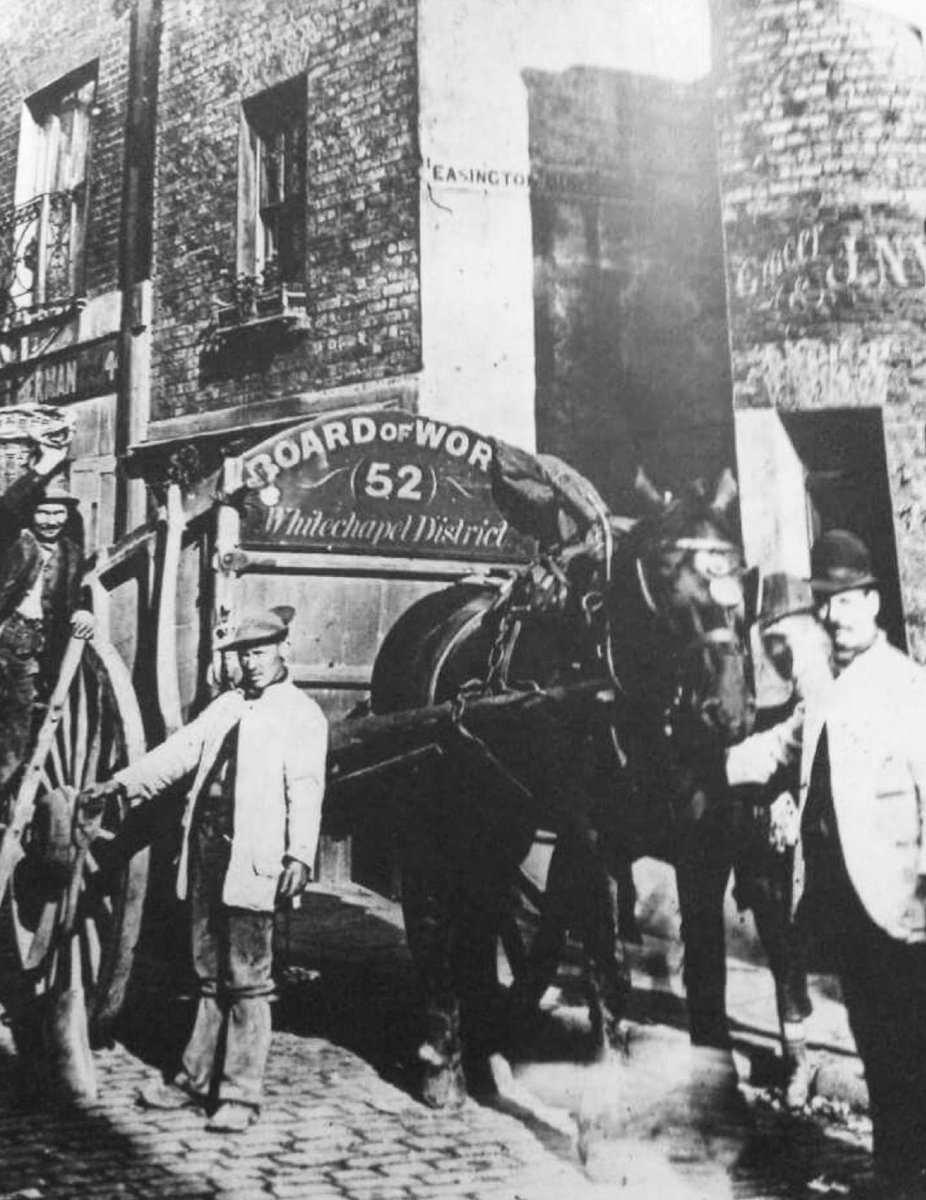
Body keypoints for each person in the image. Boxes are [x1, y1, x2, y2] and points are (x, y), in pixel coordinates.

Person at [78, 607, 328, 1132]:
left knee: (248, 981)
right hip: (208, 852)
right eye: (244, 655)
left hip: (255, 860)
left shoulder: (302, 715)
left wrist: (299, 855)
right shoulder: (228, 705)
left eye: (260, 653)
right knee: (207, 974)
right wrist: (121, 784)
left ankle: (240, 1094)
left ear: (284, 650)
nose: (252, 664)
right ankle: (193, 1080)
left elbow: (306, 790)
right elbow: (179, 752)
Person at [730, 531, 926, 1195]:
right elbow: (771, 750)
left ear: (873, 602)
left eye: (847, 601)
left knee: (907, 1049)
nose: (835, 616)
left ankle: (904, 1176)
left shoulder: (907, 687)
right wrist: (691, 760)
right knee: (879, 1045)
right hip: (844, 906)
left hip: (902, 905)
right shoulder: (825, 694)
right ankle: (898, 1172)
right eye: (826, 605)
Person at [727, 570, 832, 1109]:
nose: (782, 655)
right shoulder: (795, 698)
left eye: (788, 642)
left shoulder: (849, 686)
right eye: (772, 644)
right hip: (801, 848)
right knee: (780, 933)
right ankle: (798, 1057)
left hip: (859, 850)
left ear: (815, 632)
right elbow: (776, 746)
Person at [0, 442, 94, 791]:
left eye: (59, 513)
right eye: (44, 512)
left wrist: (85, 609)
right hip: (4, 638)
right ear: (31, 514)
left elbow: (76, 593)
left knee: (15, 731)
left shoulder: (70, 552)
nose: (52, 520)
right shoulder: (12, 540)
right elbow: (6, 508)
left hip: (32, 651)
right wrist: (45, 466)